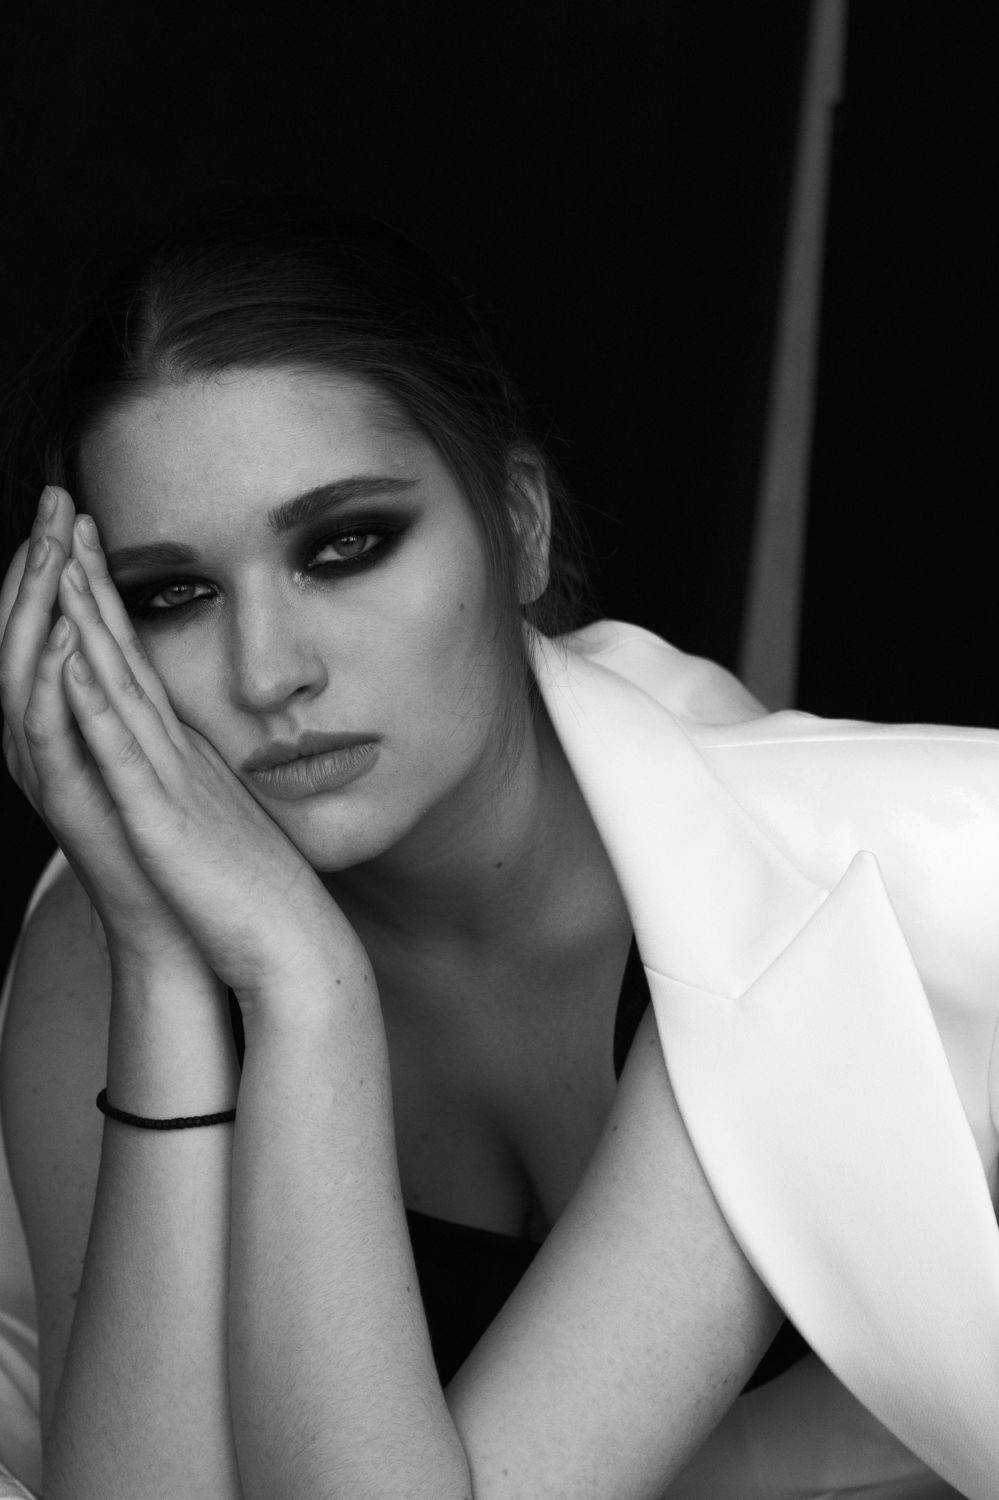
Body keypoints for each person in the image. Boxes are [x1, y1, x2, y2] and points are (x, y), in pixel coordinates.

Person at [0, 198, 996, 1500]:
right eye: (173, 595)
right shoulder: (115, 934)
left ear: (519, 525)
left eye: (345, 545)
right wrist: (201, 974)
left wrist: (304, 985)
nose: (268, 672)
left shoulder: (778, 924)